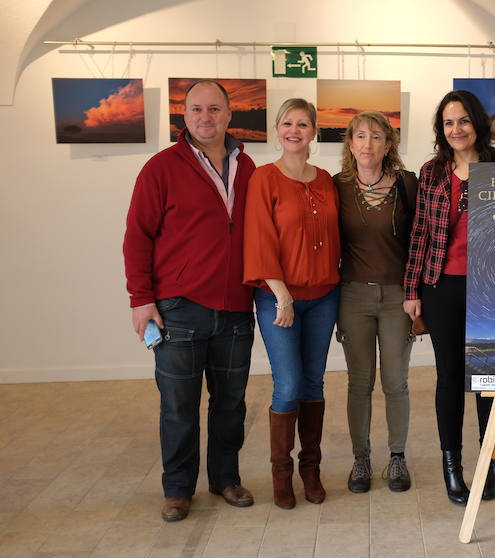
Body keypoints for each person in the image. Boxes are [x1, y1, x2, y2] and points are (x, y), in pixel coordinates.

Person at [123, 80, 256, 522]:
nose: (206, 117)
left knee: (231, 403)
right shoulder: (161, 168)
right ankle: (178, 489)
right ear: (184, 116)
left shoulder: (248, 165)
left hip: (237, 307)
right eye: (197, 109)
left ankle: (225, 478)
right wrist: (141, 299)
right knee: (179, 404)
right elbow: (137, 237)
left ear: (229, 114)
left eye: (214, 109)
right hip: (178, 306)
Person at [403, 90, 495, 506]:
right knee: (449, 378)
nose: (456, 130)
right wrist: (411, 290)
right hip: (441, 285)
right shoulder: (432, 172)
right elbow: (419, 234)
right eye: (448, 123)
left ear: (478, 123)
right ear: (441, 129)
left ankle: (492, 463)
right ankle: (453, 467)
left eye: (463, 121)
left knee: (490, 380)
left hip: (492, 289)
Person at [244, 98, 340, 509]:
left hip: (324, 297)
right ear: (277, 129)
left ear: (314, 131)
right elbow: (259, 239)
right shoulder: (263, 178)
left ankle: (311, 470)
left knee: (314, 383)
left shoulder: (327, 180)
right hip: (277, 299)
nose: (294, 130)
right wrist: (281, 294)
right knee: (287, 386)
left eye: (302, 124)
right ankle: (281, 473)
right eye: (287, 123)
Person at [334, 112, 418, 494]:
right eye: (361, 136)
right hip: (353, 295)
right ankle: (361, 458)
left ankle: (397, 457)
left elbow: (420, 243)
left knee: (395, 382)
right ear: (350, 143)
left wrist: (418, 295)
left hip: (398, 296)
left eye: (377, 137)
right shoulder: (335, 186)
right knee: (359, 382)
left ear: (389, 145)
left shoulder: (407, 184)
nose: (368, 144)